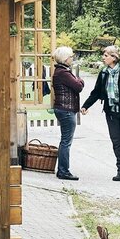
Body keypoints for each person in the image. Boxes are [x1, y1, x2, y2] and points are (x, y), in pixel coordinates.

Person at [80, 45, 120, 184]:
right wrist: (85, 106)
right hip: (111, 112)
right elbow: (96, 93)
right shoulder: (104, 73)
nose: (103, 58)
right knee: (117, 141)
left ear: (114, 57)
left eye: (105, 55)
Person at [50, 46, 84, 181]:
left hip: (63, 108)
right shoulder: (63, 73)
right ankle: (63, 171)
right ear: (65, 59)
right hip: (66, 109)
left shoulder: (61, 71)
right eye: (71, 57)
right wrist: (80, 80)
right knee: (66, 141)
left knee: (65, 140)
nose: (72, 59)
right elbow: (78, 86)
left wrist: (77, 80)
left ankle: (62, 170)